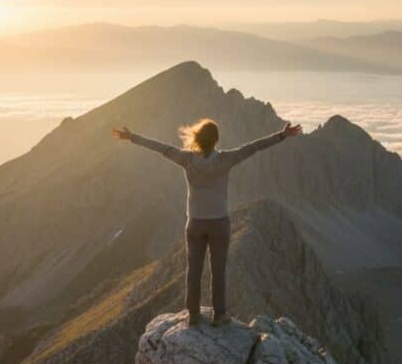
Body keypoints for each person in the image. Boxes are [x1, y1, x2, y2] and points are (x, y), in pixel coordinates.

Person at [111, 117, 302, 326]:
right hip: (219, 223)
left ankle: (193, 314)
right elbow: (254, 147)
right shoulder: (226, 159)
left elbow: (161, 148)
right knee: (218, 271)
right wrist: (282, 135)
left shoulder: (187, 159)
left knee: (193, 271)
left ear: (198, 138)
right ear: (216, 140)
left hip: (195, 223)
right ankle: (219, 314)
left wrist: (132, 137)